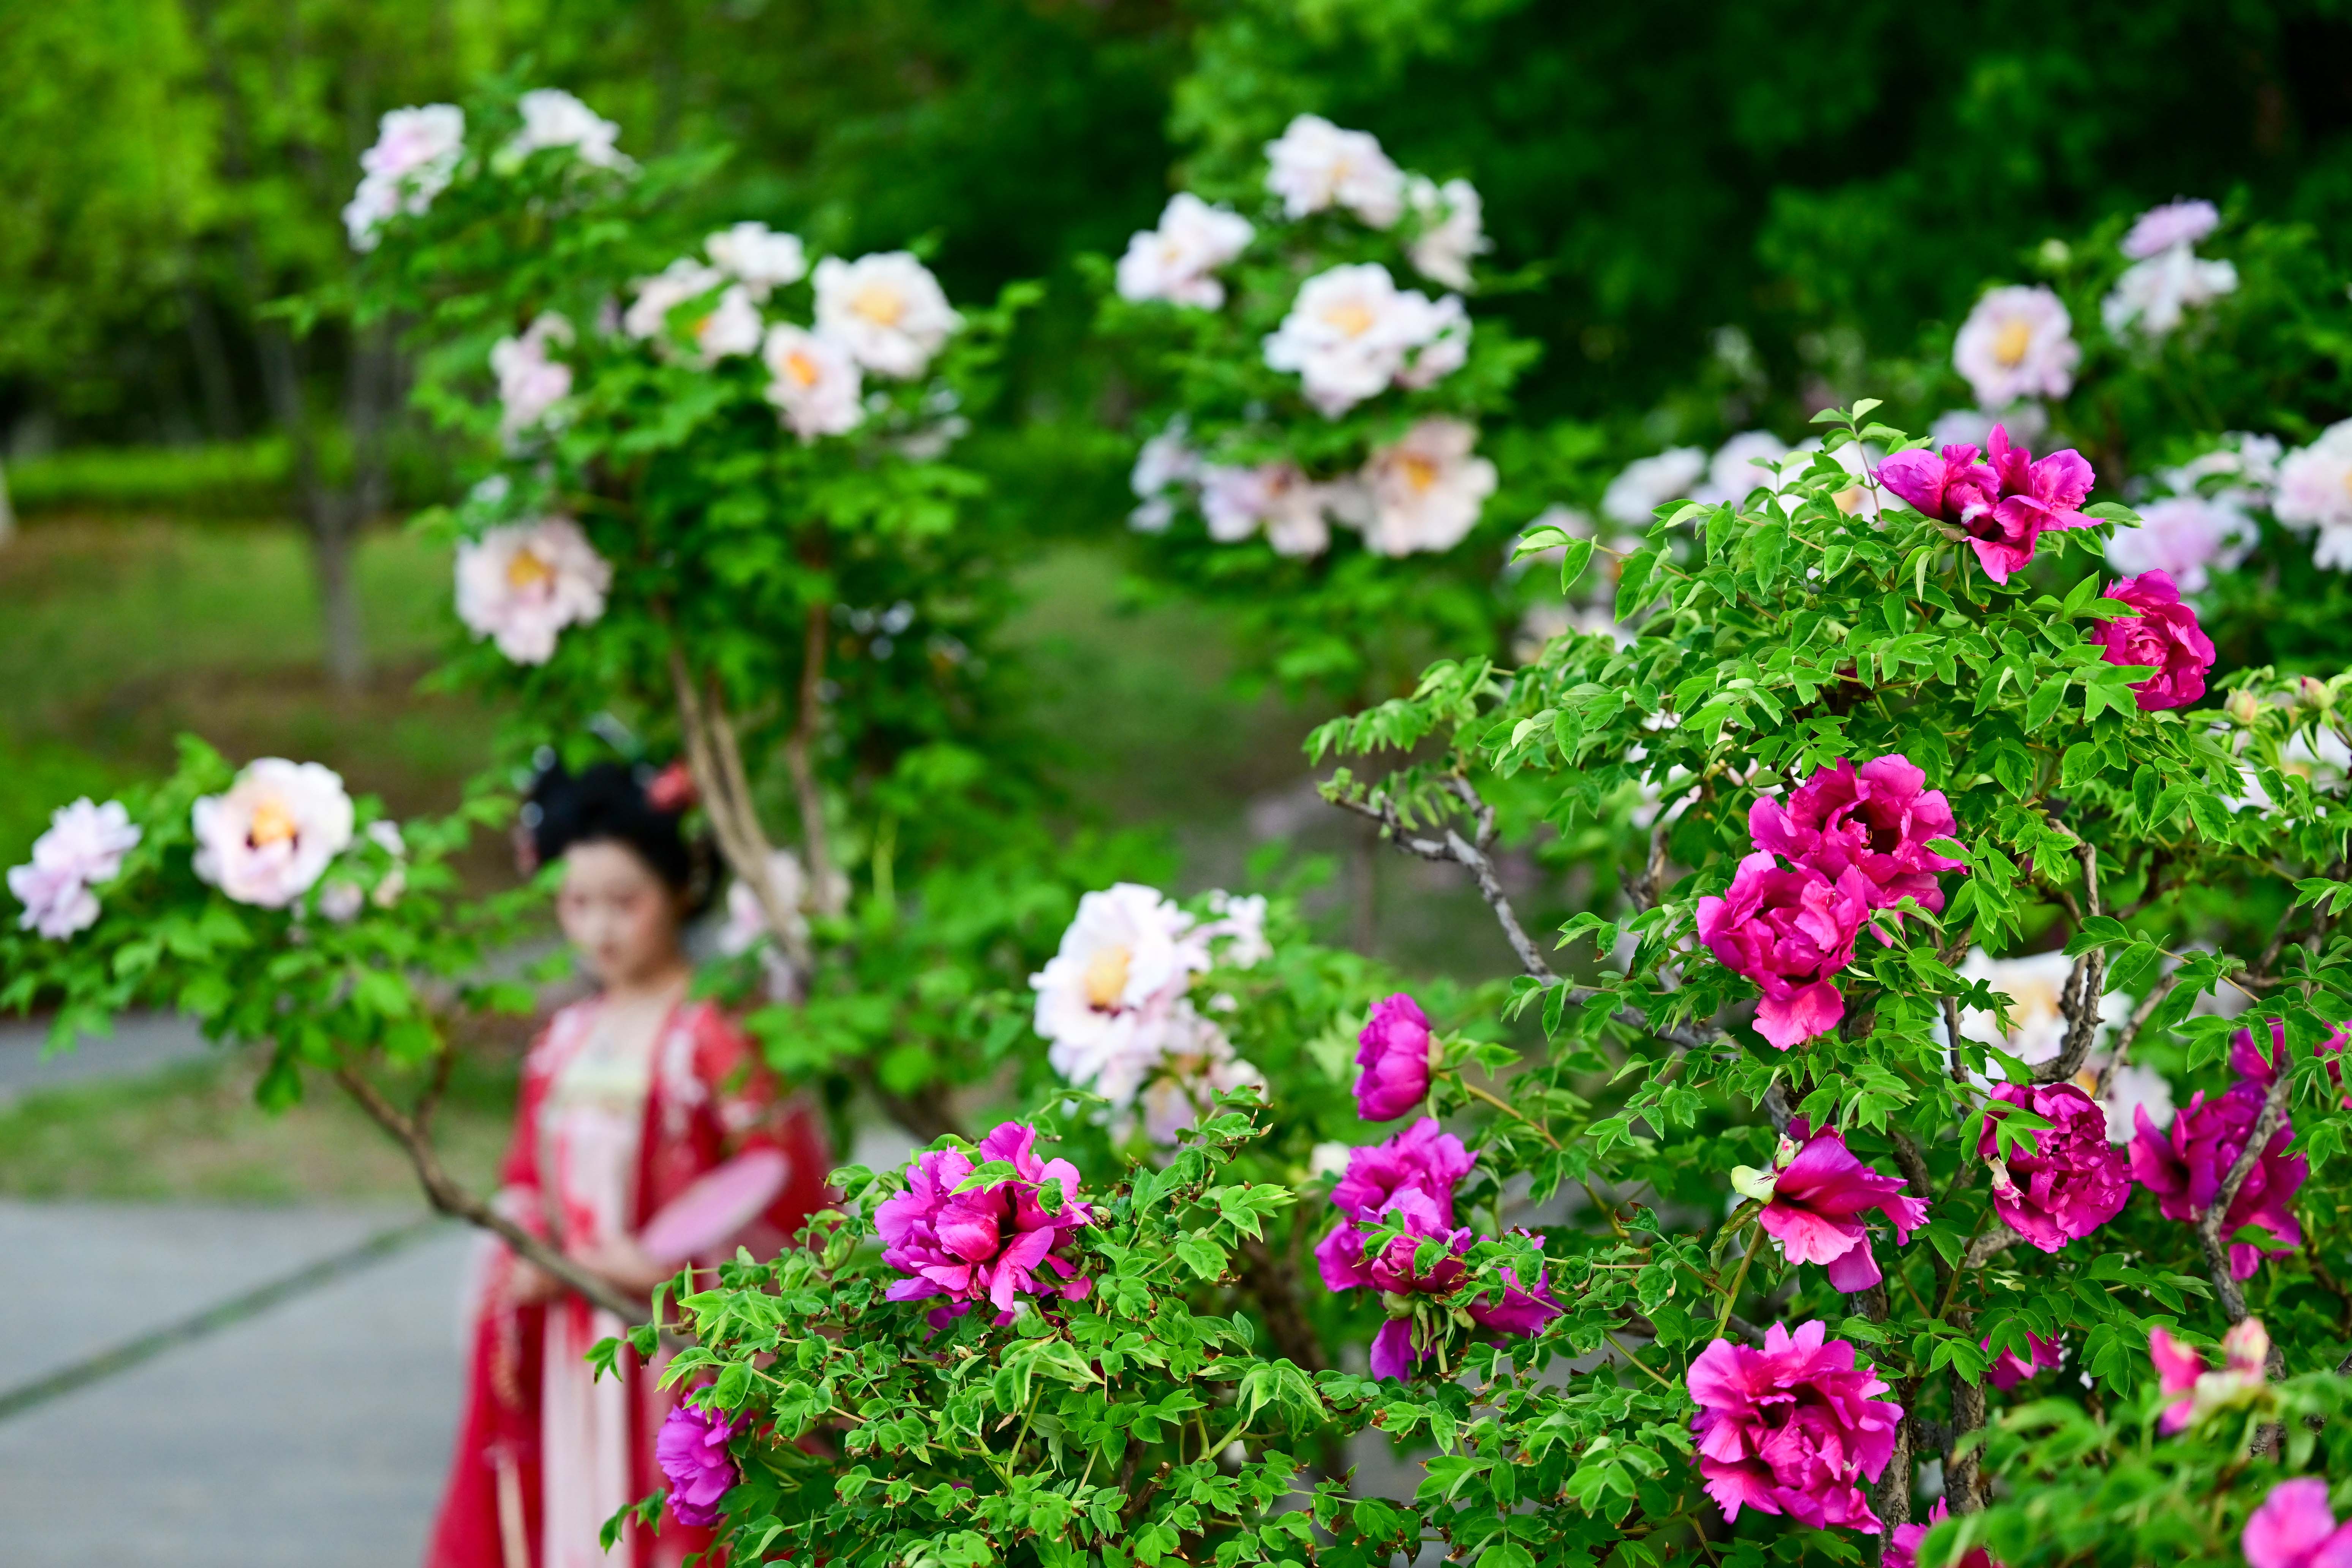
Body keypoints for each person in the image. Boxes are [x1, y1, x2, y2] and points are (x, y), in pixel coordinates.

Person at [427, 760, 833, 1568]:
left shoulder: (713, 1030)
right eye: (578, 905)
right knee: (577, 1506)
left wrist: (663, 1262)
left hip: (674, 1330)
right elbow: (524, 1173)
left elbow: (775, 1176)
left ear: (682, 890)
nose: (600, 929)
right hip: (572, 1323)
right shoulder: (564, 1038)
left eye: (625, 902)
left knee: (673, 1506)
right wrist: (530, 1248)